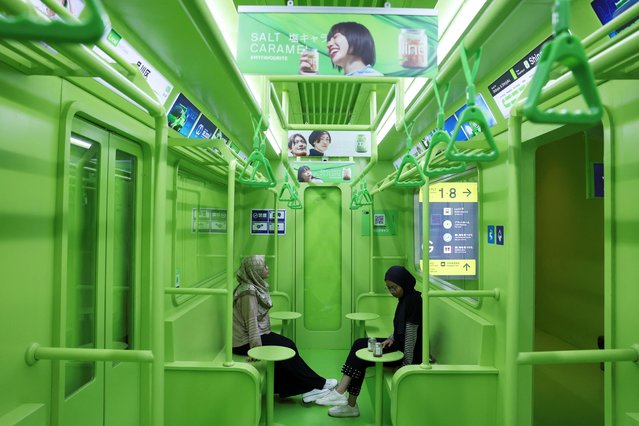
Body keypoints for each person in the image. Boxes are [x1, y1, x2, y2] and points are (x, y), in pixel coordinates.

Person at [315, 266, 430, 417]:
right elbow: (400, 328)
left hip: (408, 355)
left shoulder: (414, 301)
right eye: (389, 288)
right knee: (359, 345)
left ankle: (345, 398)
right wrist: (391, 338)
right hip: (398, 345)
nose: (392, 292)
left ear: (404, 283)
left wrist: (405, 366)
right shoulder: (405, 298)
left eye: (394, 288)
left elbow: (411, 335)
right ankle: (345, 399)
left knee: (360, 357)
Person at [232, 255, 337, 402]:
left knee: (288, 346)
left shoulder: (253, 286)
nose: (267, 269)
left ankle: (307, 387)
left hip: (255, 336)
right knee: (287, 346)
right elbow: (251, 322)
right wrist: (256, 350)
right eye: (264, 267)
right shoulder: (247, 292)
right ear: (254, 271)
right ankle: (316, 384)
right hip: (244, 343)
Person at [300, 21, 383, 77]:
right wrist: (312, 81)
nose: (328, 44)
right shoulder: (342, 82)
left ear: (355, 37)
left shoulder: (376, 78)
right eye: (328, 41)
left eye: (335, 37)